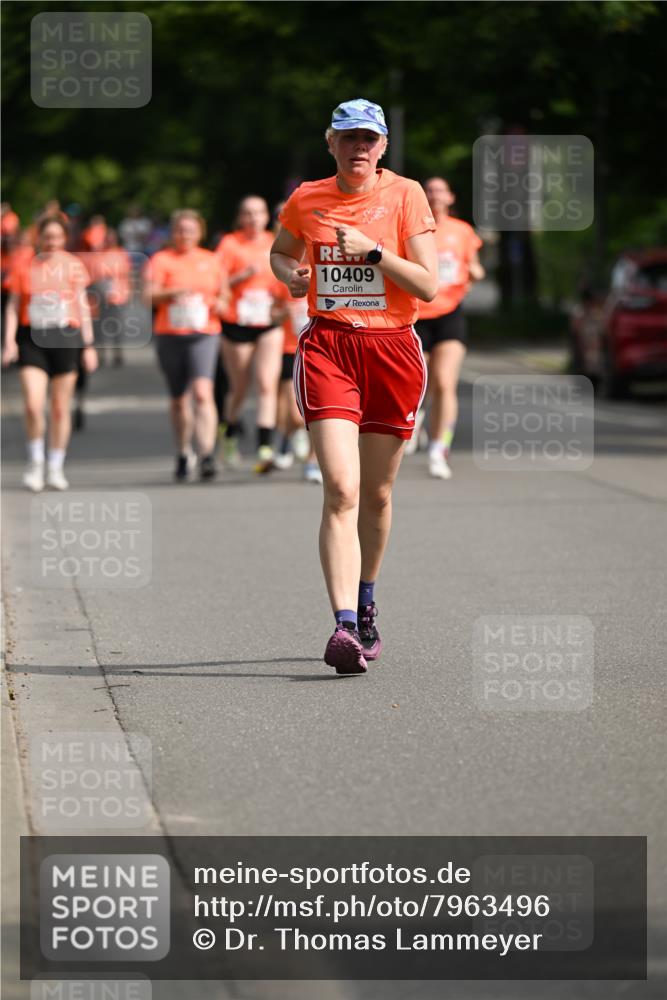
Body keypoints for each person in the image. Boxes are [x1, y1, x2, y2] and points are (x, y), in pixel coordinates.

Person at [271, 98, 437, 674]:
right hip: (330, 347)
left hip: (393, 349)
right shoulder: (307, 198)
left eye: (369, 139)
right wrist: (290, 275)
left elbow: (429, 285)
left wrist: (376, 253)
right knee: (341, 488)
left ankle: (367, 600)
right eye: (349, 138)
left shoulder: (406, 195)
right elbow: (280, 250)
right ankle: (342, 625)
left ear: (383, 146)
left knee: (378, 494)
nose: (359, 148)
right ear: (331, 143)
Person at [2, 215, 98, 491]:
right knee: (33, 404)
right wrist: (8, 342)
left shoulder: (73, 266)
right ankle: (35, 463)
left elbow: (82, 305)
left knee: (58, 407)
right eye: (47, 237)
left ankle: (55, 465)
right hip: (31, 338)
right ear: (38, 238)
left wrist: (88, 346)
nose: (52, 242)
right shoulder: (24, 266)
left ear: (64, 238)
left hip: (65, 337)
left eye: (57, 237)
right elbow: (12, 306)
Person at [144, 209, 228, 482]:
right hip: (170, 334)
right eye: (180, 230)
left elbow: (225, 295)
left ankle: (206, 455)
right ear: (173, 232)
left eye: (190, 230)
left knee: (203, 393)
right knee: (179, 400)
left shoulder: (211, 260)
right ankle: (183, 452)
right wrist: (171, 293)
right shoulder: (161, 260)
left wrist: (219, 302)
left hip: (204, 332)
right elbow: (148, 297)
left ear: (199, 232)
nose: (185, 235)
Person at [413, 177, 484, 479]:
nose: (435, 196)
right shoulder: (412, 229)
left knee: (444, 381)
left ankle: (439, 448)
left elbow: (474, 266)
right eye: (430, 191)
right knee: (419, 382)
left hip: (450, 312)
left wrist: (475, 274)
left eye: (441, 191)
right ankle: (417, 417)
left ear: (451, 197)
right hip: (416, 314)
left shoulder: (462, 231)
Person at [216, 196, 283, 473]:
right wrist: (241, 276)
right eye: (248, 213)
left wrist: (283, 302)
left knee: (267, 384)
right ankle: (229, 432)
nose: (254, 218)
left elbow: (287, 277)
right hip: (237, 323)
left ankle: (264, 447)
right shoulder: (229, 244)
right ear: (240, 217)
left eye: (259, 213)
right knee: (240, 387)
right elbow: (215, 282)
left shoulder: (275, 241)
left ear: (267, 216)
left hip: (268, 322)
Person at [271, 202, 322, 484]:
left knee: (319, 407)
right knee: (293, 411)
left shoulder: (322, 261)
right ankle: (287, 437)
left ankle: (314, 460)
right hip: (290, 347)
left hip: (320, 344)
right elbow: (272, 311)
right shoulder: (284, 265)